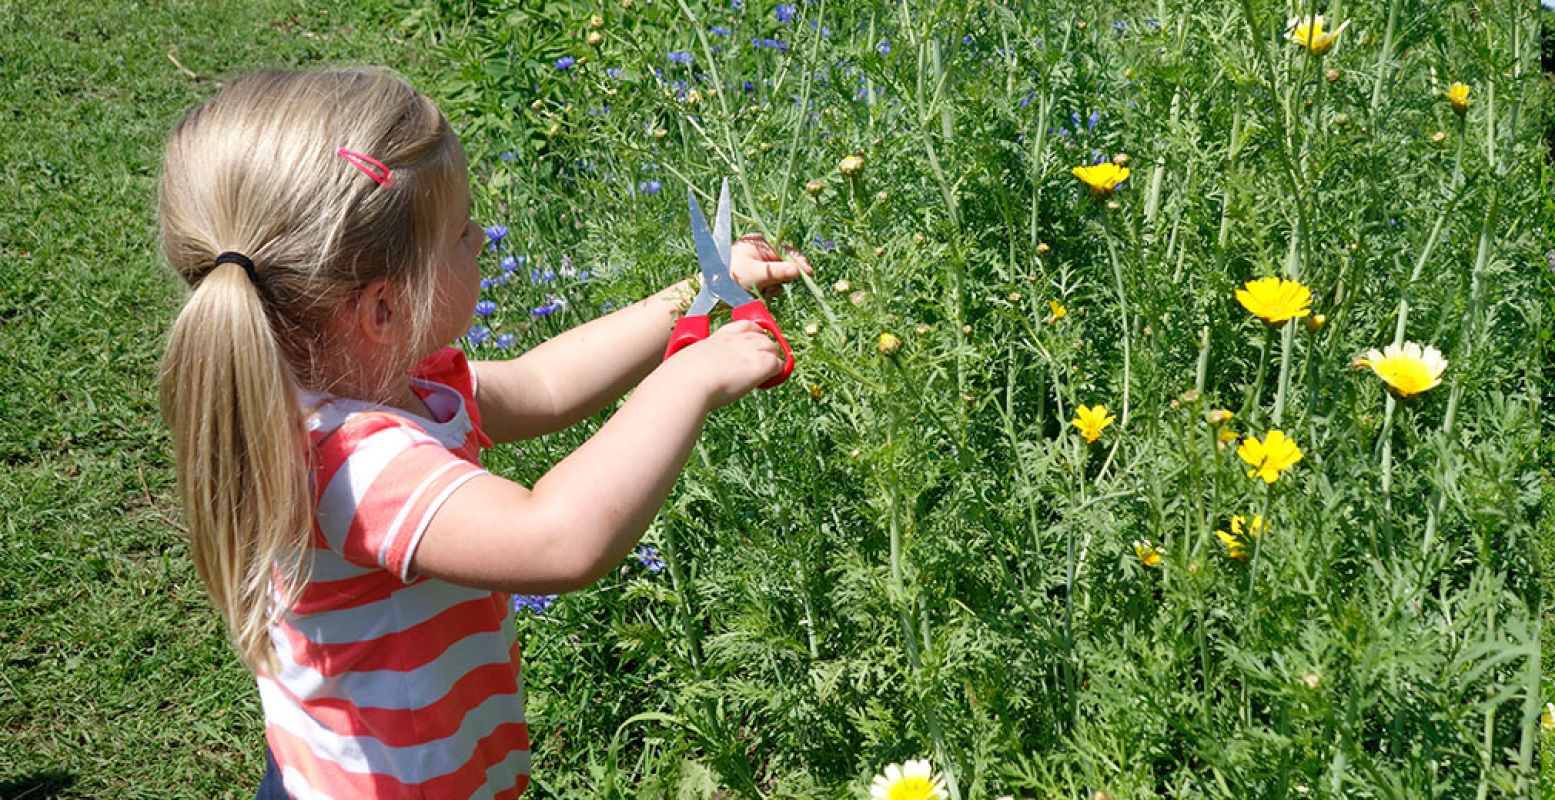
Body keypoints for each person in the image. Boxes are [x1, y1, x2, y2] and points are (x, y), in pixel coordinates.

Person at [156, 67, 810, 799]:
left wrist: (697, 291)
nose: (479, 239)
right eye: (463, 233)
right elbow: (556, 539)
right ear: (382, 307)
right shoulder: (350, 462)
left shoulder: (390, 377)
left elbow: (542, 384)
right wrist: (689, 381)